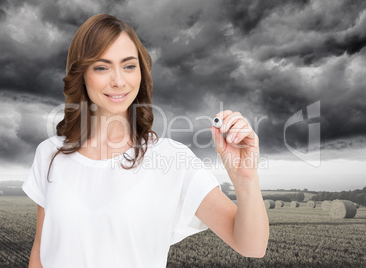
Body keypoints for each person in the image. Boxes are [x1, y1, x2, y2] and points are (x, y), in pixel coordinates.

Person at [22, 13, 269, 268]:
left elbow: (251, 246)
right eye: (101, 67)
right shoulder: (50, 154)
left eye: (129, 66)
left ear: (141, 72)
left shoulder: (172, 160)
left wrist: (246, 179)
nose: (119, 81)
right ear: (81, 74)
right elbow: (41, 251)